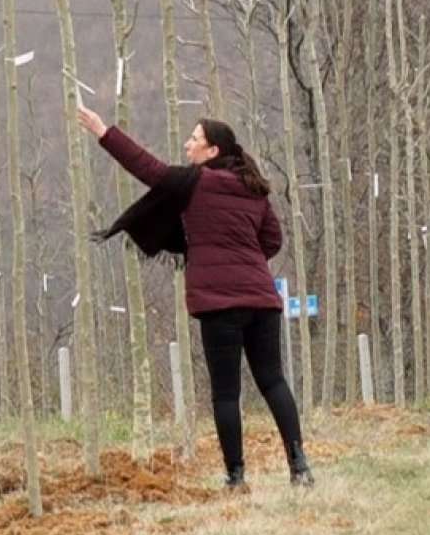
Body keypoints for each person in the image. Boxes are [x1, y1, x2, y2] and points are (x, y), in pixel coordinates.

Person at [77, 105, 314, 489]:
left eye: (194, 140)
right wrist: (245, 259)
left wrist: (104, 132)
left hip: (218, 304)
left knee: (226, 392)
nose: (187, 145)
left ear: (213, 151)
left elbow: (146, 168)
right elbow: (271, 241)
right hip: (261, 299)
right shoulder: (255, 190)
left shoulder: (195, 183)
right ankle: (299, 466)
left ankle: (236, 477)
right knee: (273, 381)